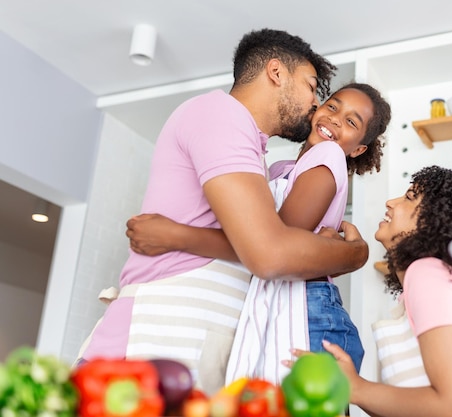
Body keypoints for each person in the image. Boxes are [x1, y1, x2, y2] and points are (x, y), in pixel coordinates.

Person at [76, 28, 370, 394]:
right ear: (276, 73)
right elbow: (268, 252)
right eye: (312, 86)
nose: (315, 103)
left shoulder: (252, 150)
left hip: (193, 338)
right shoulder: (221, 116)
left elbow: (258, 241)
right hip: (159, 333)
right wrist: (352, 254)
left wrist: (178, 234)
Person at [125, 83, 392, 384]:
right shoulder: (281, 169)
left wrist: (175, 236)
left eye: (351, 121)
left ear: (358, 149)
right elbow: (256, 240)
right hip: (280, 303)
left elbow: (272, 247)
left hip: (309, 310)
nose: (335, 118)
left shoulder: (329, 155)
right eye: (333, 106)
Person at [310, 166, 452, 417]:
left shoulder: (428, 274)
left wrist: (355, 387)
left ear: (435, 220)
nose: (390, 202)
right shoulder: (425, 285)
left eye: (409, 197)